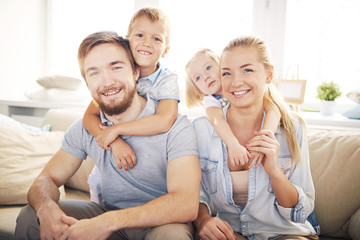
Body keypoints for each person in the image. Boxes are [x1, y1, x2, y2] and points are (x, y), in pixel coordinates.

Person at [15, 31, 201, 240]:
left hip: (162, 223)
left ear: (135, 71)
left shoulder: (175, 127)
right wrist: (45, 208)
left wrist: (108, 222)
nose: (107, 81)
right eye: (94, 73)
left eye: (116, 67)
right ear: (87, 83)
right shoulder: (86, 127)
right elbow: (46, 179)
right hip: (108, 217)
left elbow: (185, 203)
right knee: (30, 216)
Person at [192, 36, 318, 240]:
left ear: (268, 75)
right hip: (231, 233)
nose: (236, 82)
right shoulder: (201, 130)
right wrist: (203, 220)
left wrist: (274, 172)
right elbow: (195, 192)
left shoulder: (291, 127)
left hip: (284, 233)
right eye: (226, 73)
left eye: (247, 70)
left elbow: (300, 212)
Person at [83, 7, 179, 204]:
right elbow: (89, 117)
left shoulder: (167, 80)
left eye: (157, 39)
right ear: (128, 40)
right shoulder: (116, 75)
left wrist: (117, 129)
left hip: (146, 165)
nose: (146, 42)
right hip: (110, 163)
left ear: (166, 49)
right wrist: (115, 141)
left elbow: (164, 121)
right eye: (140, 35)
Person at [185, 48, 280, 168]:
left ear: (222, 67)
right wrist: (233, 144)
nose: (205, 77)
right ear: (198, 89)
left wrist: (263, 141)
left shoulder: (244, 88)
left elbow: (274, 110)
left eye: (208, 68)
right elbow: (217, 120)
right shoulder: (211, 101)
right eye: (198, 78)